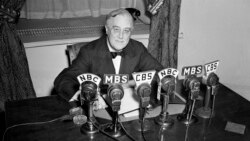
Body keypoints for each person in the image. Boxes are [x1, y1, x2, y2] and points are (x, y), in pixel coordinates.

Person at [54, 8, 163, 110]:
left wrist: (131, 83)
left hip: (129, 108)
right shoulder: (89, 52)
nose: (121, 36)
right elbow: (64, 80)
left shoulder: (138, 49)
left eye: (126, 31)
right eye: (116, 29)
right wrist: (85, 95)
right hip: (100, 108)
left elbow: (160, 72)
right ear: (107, 29)